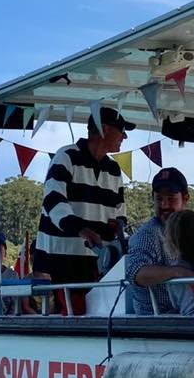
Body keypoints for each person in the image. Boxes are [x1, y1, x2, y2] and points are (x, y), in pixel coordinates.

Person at [33, 107, 133, 314]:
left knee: (98, 314)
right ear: (104, 129)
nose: (124, 136)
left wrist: (119, 234)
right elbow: (53, 201)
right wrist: (81, 229)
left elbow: (119, 212)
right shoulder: (66, 156)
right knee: (67, 317)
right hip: (59, 259)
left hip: (97, 261)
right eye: (121, 130)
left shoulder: (114, 170)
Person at [124, 167, 194, 314]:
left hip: (189, 311)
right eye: (159, 199)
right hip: (158, 319)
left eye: (171, 198)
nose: (164, 205)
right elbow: (135, 273)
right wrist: (179, 273)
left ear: (185, 198)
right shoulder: (148, 234)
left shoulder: (193, 227)